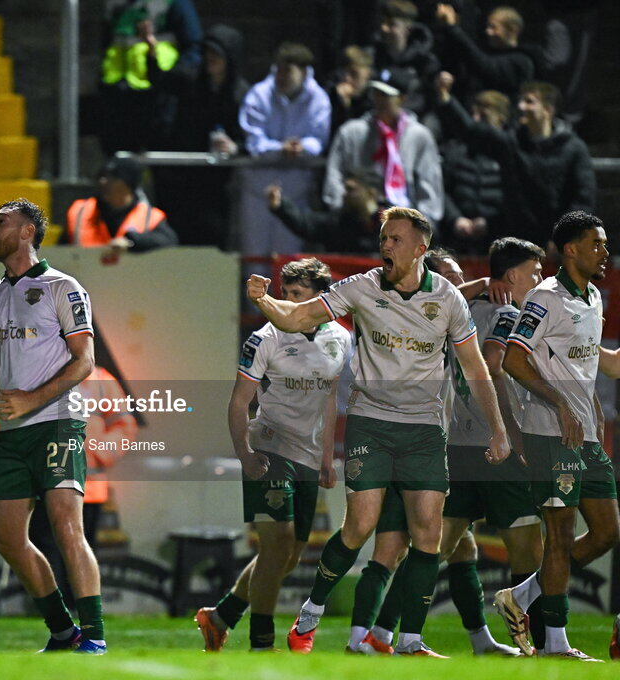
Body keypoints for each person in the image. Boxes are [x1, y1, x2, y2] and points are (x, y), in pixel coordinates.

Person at [247, 206, 510, 657]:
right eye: (384, 238)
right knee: (359, 527)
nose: (385, 246)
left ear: (420, 248)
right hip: (371, 422)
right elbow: (298, 317)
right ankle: (310, 612)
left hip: (426, 430)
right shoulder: (363, 286)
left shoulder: (447, 298)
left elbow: (476, 367)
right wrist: (263, 301)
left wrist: (498, 430)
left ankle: (409, 640)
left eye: (395, 239)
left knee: (428, 536)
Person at [369, 240, 546, 656]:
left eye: (460, 277)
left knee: (443, 547)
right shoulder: (501, 313)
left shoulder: (434, 322)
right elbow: (494, 363)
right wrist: (514, 434)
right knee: (528, 550)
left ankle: (380, 633)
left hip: (452, 447)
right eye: (448, 278)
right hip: (492, 446)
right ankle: (543, 643)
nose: (458, 284)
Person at [0, 198, 106, 654]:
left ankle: (94, 637)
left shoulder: (63, 287)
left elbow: (85, 362)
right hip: (13, 434)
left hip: (57, 423)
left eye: (1, 222)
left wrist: (31, 400)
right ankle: (62, 631)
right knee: (8, 540)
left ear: (28, 232)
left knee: (66, 528)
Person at [195, 258, 352, 652]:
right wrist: (245, 454)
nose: (288, 303)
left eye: (297, 296)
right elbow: (238, 402)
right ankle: (261, 643)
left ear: (322, 298)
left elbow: (330, 396)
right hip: (268, 445)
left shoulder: (341, 338)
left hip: (306, 452)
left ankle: (220, 617)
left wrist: (326, 456)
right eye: (286, 295)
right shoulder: (265, 337)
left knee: (289, 555)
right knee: (277, 544)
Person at [494, 211, 619, 660]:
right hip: (550, 433)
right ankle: (556, 644)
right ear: (571, 249)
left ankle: (522, 597)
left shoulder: (593, 297)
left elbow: (594, 360)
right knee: (561, 537)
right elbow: (513, 360)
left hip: (584, 436)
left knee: (607, 532)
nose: (604, 252)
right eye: (596, 243)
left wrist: (594, 412)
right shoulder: (544, 299)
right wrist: (561, 403)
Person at [435, 74, 595, 249]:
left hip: (556, 247)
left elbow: (582, 199)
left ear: (548, 110)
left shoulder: (573, 148)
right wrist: (447, 100)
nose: (521, 107)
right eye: (520, 101)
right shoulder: (512, 143)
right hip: (517, 242)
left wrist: (564, 238)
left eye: (529, 102)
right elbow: (472, 132)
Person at [28, 366, 137, 606]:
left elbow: (125, 425)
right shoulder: (32, 372)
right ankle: (54, 611)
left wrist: (96, 451)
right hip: (43, 483)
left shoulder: (101, 380)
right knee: (46, 547)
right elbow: (5, 421)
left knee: (79, 548)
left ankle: (80, 609)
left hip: (89, 487)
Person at [146, 23, 249, 248]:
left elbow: (249, 136)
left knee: (211, 237)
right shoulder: (190, 78)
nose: (211, 58)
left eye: (217, 54)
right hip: (180, 178)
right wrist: (152, 55)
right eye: (208, 52)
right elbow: (161, 81)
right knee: (177, 235)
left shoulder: (239, 93)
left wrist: (234, 148)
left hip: (213, 184)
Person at [238, 42, 332, 257]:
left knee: (287, 257)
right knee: (254, 254)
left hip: (294, 191)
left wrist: (303, 148)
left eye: (288, 71)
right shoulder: (259, 95)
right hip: (257, 188)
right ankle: (255, 293)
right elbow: (253, 141)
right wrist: (279, 149)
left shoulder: (318, 99)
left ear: (304, 72)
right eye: (279, 69)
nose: (281, 76)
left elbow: (318, 140)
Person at [323, 69, 443, 226]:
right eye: (376, 94)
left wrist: (424, 224)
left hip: (404, 220)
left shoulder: (419, 136)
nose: (380, 100)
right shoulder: (352, 131)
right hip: (356, 218)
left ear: (402, 99)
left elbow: (429, 180)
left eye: (386, 96)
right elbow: (334, 173)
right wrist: (339, 211)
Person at [99, 0, 203, 154]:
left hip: (157, 96)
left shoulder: (173, 3)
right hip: (117, 93)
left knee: (159, 159)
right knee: (118, 162)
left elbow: (193, 48)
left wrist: (171, 80)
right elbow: (108, 42)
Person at [63, 157, 178, 263]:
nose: (103, 182)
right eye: (102, 176)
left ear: (129, 184)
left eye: (112, 178)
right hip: (86, 279)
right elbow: (59, 250)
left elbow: (169, 242)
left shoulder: (150, 216)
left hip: (130, 281)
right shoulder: (80, 211)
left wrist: (131, 242)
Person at [439, 90, 510, 254]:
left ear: (501, 119)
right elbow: (441, 189)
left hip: (498, 243)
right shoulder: (456, 151)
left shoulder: (511, 155)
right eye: (473, 115)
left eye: (483, 117)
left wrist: (490, 223)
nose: (475, 121)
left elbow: (516, 200)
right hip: (456, 241)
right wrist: (455, 219)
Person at [266, 168, 388, 253]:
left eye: (351, 189)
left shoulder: (394, 223)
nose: (345, 194)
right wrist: (281, 206)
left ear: (371, 193)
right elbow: (306, 224)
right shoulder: (339, 222)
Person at [434, 4, 535, 102]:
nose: (488, 32)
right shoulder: (485, 51)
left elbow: (485, 66)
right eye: (487, 27)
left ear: (513, 30)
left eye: (493, 27)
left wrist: (453, 27)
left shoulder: (521, 61)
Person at [371, 0, 440, 116]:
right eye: (382, 23)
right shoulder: (372, 56)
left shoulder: (425, 62)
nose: (384, 28)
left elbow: (430, 103)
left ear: (408, 29)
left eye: (391, 24)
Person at [327, 46, 373, 138]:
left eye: (354, 74)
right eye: (343, 73)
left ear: (367, 74)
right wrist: (342, 106)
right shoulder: (331, 95)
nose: (346, 78)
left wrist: (347, 108)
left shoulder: (373, 101)